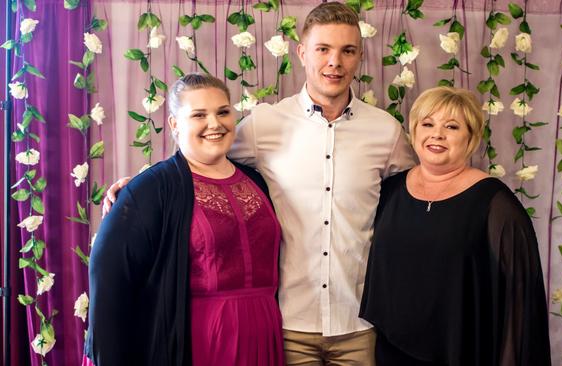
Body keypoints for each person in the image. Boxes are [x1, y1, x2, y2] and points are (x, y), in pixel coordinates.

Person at [103, 2, 416, 364]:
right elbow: (204, 153)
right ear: (302, 53)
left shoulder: (386, 131)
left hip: (358, 322)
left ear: (360, 56)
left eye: (347, 51)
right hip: (287, 324)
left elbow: (417, 191)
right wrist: (143, 186)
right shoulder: (266, 124)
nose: (335, 62)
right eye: (323, 49)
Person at [84, 73, 285, 366]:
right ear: (175, 124)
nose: (214, 124)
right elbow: (109, 280)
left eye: (223, 112)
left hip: (265, 333)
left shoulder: (257, 179)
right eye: (199, 114)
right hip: (197, 341)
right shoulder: (150, 189)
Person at [359, 86, 551, 365]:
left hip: (464, 352)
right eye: (427, 124)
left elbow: (520, 299)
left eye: (451, 126)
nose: (437, 134)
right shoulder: (390, 191)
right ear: (413, 131)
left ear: (471, 138)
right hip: (391, 352)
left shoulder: (496, 203)